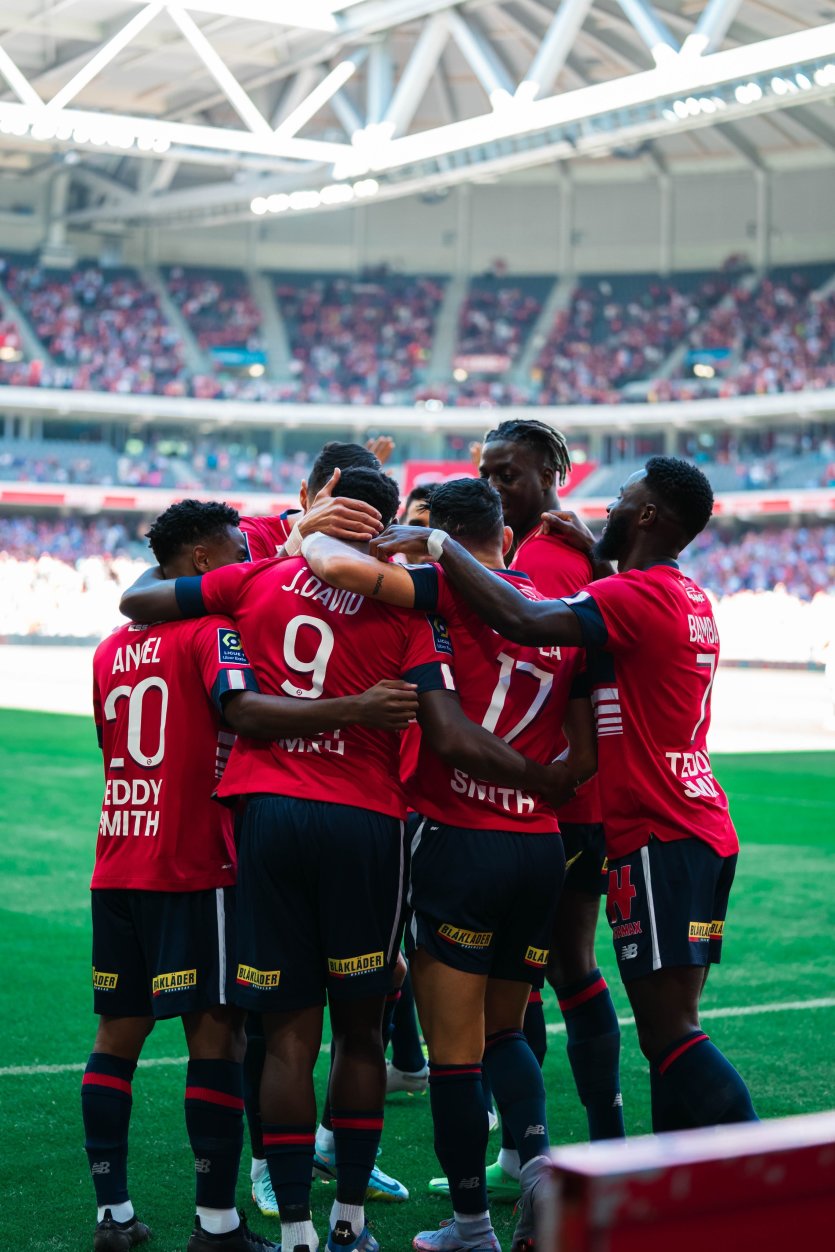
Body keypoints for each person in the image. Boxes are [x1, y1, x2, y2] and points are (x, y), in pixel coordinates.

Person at [119, 469, 574, 1252]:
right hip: (368, 821)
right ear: (388, 527)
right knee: (362, 1031)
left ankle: (295, 1227)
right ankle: (349, 1224)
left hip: (267, 813)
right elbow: (442, 725)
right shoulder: (412, 606)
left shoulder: (256, 579)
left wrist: (296, 537)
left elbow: (142, 600)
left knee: (286, 1035)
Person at [370, 456, 758, 1145]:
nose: (607, 508)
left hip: (658, 831)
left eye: (621, 499)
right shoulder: (685, 596)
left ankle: (768, 1172)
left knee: (670, 1036)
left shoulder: (636, 596)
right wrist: (602, 563)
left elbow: (521, 617)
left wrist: (437, 544)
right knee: (670, 1033)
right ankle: (673, 1183)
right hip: (696, 821)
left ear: (646, 515)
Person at [86, 500, 418, 1252]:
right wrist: (356, 707)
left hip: (119, 853)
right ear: (204, 559)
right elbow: (243, 712)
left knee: (117, 1037)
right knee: (224, 1038)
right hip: (198, 858)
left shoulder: (108, 649)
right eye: (237, 547)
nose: (249, 555)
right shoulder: (213, 631)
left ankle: (114, 1212)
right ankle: (219, 1223)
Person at [302, 476, 597, 1252]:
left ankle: (470, 1227)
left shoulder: (439, 591)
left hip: (458, 839)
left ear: (438, 535)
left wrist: (316, 526)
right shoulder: (559, 611)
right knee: (509, 1031)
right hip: (539, 846)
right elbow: (581, 754)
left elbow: (334, 568)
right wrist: (543, 786)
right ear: (505, 535)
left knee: (455, 1055)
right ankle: (538, 1171)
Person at [479, 419, 625, 1155]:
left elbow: (534, 670)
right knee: (568, 963)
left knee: (518, 978)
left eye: (507, 474)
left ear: (549, 475)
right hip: (581, 797)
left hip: (550, 798)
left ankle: (524, 1154)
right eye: (486, 474)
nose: (493, 487)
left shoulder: (542, 559)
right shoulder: (569, 550)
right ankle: (602, 1141)